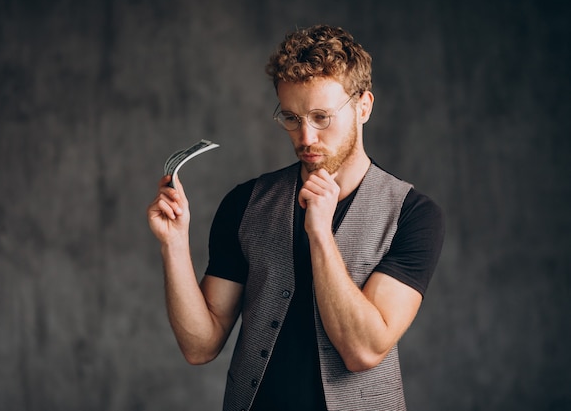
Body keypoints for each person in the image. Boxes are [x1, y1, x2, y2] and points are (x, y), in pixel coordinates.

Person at [147, 24, 445, 411]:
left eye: (322, 117)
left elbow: (364, 351)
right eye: (291, 117)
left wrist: (320, 233)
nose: (305, 137)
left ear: (364, 106)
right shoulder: (245, 203)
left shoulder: (413, 215)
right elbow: (199, 346)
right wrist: (173, 244)